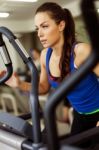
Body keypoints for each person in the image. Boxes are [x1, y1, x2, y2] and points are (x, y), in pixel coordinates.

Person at [1, 2, 99, 136]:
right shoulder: (44, 56)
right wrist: (19, 84)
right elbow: (43, 88)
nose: (39, 34)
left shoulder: (81, 51)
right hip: (80, 116)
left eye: (45, 26)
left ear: (61, 25)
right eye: (37, 29)